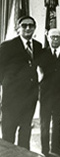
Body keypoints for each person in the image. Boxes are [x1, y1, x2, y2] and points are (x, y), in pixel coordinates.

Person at [0, 16, 42, 150]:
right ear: (18, 29)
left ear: (35, 28)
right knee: (9, 132)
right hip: (12, 97)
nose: (28, 28)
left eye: (31, 25)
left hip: (30, 97)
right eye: (24, 25)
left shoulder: (38, 45)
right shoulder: (7, 46)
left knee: (25, 131)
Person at [37, 28, 60, 157]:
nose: (55, 39)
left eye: (57, 37)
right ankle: (44, 150)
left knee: (57, 121)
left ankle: (56, 147)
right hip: (45, 93)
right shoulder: (42, 53)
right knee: (44, 122)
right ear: (48, 38)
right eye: (52, 37)